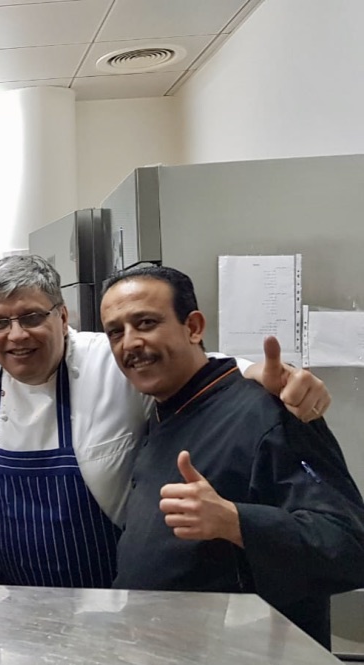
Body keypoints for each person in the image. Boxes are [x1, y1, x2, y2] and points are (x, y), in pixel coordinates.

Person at [0, 255, 331, 589]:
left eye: (31, 317)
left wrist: (264, 375)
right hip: (14, 592)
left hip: (109, 587)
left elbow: (197, 368)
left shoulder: (113, 357)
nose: (16, 335)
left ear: (63, 316)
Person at [99, 265, 364, 648]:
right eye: (115, 332)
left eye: (146, 323)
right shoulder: (161, 413)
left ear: (193, 327)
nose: (130, 343)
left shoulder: (269, 411)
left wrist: (235, 521)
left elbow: (349, 545)